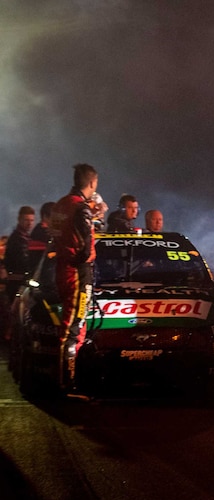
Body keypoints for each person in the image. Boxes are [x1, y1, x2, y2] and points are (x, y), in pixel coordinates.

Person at [52, 163, 98, 390]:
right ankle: (66, 383)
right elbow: (86, 249)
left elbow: (56, 236)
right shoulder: (81, 208)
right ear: (92, 183)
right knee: (74, 327)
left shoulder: (60, 204)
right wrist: (85, 258)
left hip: (62, 268)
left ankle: (66, 379)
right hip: (77, 273)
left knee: (70, 325)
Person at [4, 206, 36, 298]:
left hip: (21, 280)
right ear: (19, 220)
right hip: (17, 282)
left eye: (32, 220)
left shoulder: (26, 237)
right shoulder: (17, 239)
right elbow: (23, 260)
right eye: (26, 220)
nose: (29, 223)